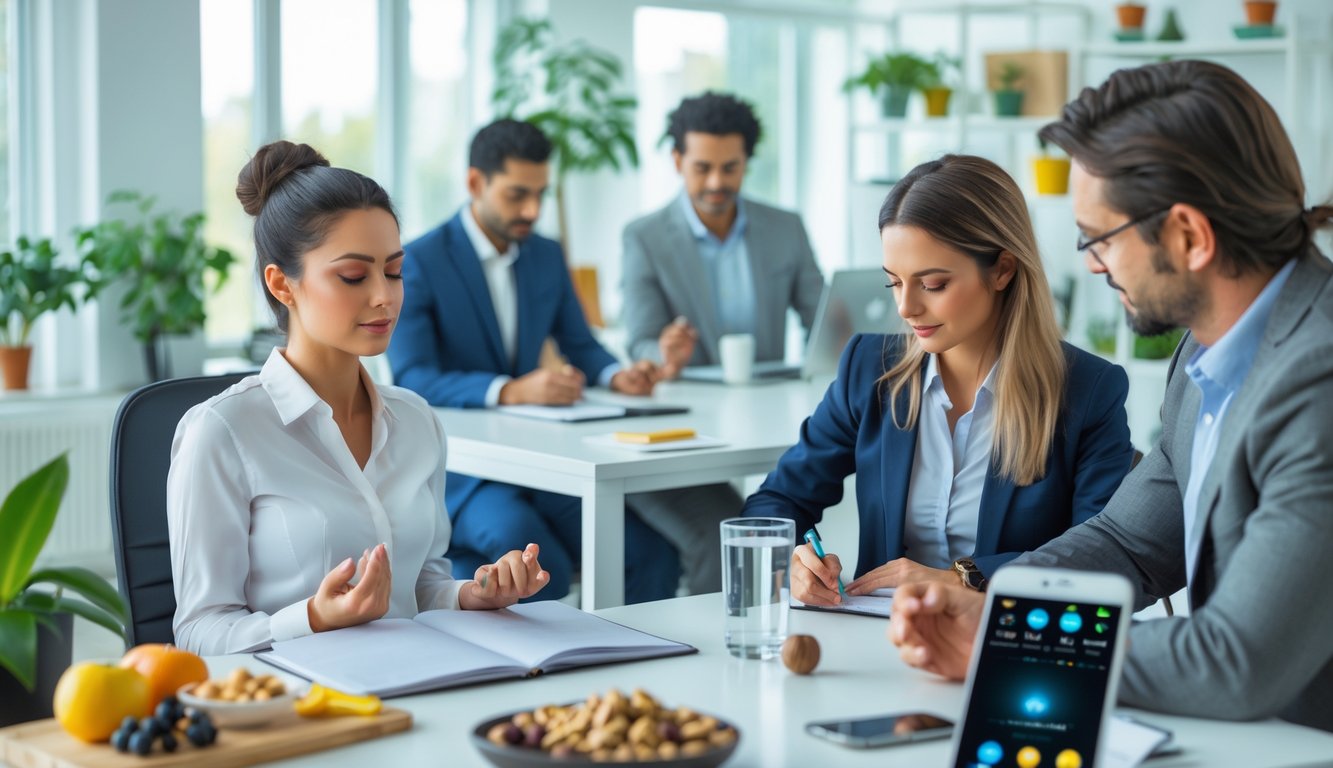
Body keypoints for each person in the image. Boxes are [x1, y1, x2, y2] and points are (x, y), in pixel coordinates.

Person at [890, 60, 1333, 732]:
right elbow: (1129, 541)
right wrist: (986, 598)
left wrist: (1010, 641)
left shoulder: (1318, 378)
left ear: (1188, 235)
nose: (1090, 264)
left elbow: (1238, 660)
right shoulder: (1207, 347)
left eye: (1098, 238)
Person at [168, 141, 549, 656]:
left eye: (393, 271)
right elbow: (198, 633)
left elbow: (421, 588)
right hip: (301, 708)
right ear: (282, 284)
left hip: (414, 685)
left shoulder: (416, 421)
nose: (384, 296)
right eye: (353, 276)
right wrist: (313, 618)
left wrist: (473, 595)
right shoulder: (223, 431)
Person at [742, 154, 1135, 604]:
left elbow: (1102, 558)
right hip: (877, 644)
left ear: (1003, 269)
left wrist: (965, 578)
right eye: (894, 283)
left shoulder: (1088, 390)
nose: (906, 308)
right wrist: (793, 559)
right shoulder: (870, 369)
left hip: (1003, 647)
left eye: (932, 284)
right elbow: (774, 503)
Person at [388, 119, 740, 602]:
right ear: (475, 183)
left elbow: (582, 343)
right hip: (467, 472)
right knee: (535, 555)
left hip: (547, 460)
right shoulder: (420, 261)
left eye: (540, 194)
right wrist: (509, 389)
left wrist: (620, 375)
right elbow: (412, 376)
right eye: (516, 195)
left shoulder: (545, 255)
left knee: (649, 552)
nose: (531, 210)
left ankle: (630, 664)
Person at [622, 91, 825, 378]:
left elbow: (822, 322)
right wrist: (664, 352)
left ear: (746, 162)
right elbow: (641, 342)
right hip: (691, 399)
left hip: (771, 392)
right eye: (702, 169)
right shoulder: (644, 238)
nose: (716, 182)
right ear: (678, 161)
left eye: (730, 168)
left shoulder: (786, 228)